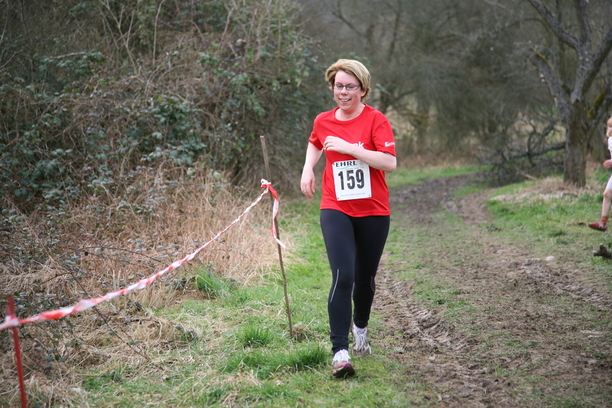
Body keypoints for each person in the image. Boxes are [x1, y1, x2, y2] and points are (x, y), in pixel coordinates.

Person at [300, 59, 397, 378]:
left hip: (373, 210)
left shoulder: (376, 120)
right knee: (343, 276)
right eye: (338, 86)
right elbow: (315, 142)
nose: (343, 92)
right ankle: (340, 352)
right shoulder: (323, 120)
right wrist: (308, 168)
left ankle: (361, 327)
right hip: (335, 207)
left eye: (350, 87)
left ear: (363, 90)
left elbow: (389, 163)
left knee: (365, 280)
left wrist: (350, 148)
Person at [588, 115, 612, 232]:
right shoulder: (610, 140)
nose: (611, 129)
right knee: (607, 194)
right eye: (609, 126)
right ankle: (602, 223)